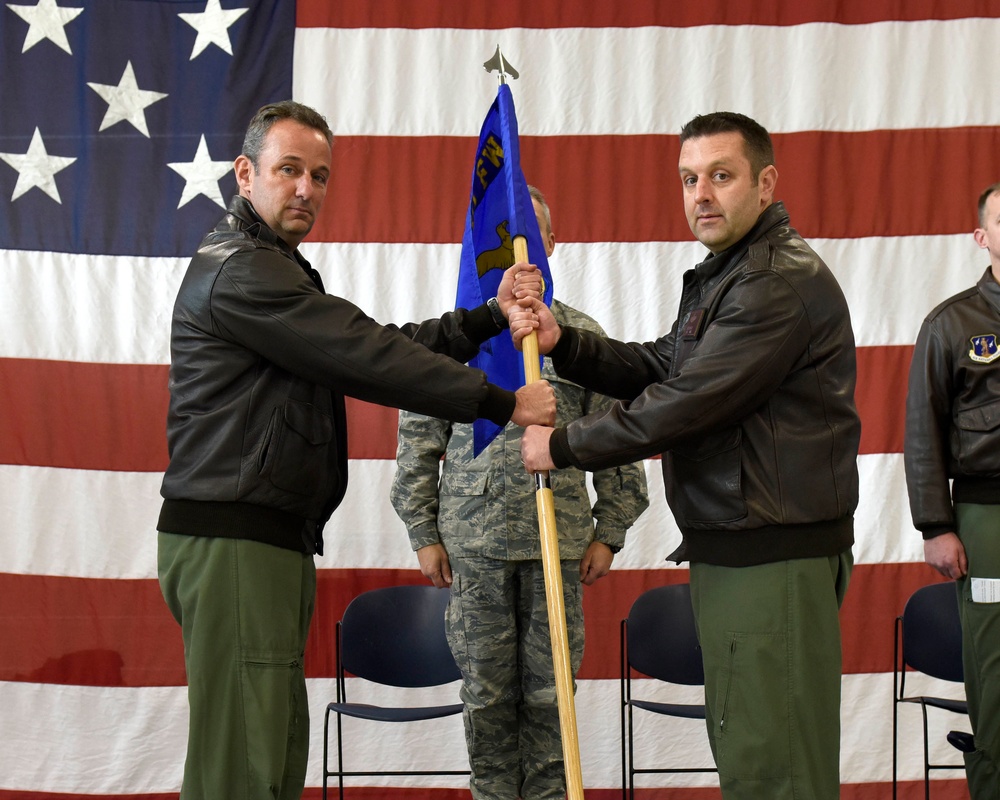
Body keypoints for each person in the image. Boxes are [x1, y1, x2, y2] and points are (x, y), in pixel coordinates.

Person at [155, 100, 555, 800]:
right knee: (239, 770)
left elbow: (376, 342)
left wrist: (486, 319)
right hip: (234, 539)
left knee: (272, 760)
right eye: (288, 170)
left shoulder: (272, 269)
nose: (306, 188)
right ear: (245, 174)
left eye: (319, 174)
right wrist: (502, 402)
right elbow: (368, 355)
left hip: (264, 538)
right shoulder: (242, 270)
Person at [513, 112, 860, 800]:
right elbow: (665, 365)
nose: (701, 193)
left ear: (765, 184)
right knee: (752, 752)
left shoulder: (772, 281)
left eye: (721, 176)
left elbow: (685, 403)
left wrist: (560, 446)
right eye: (689, 178)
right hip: (743, 547)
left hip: (771, 554)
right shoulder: (729, 274)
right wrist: (566, 345)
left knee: (774, 768)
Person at [390, 186, 649, 800]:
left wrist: (610, 531)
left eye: (533, 239)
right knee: (484, 694)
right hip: (472, 549)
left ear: (552, 247)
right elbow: (419, 441)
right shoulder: (459, 338)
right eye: (503, 242)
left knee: (552, 692)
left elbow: (618, 439)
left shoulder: (578, 335)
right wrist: (423, 534)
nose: (518, 254)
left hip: (557, 543)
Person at [904, 181, 1000, 798]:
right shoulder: (953, 322)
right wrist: (936, 526)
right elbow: (922, 431)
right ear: (983, 238)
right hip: (988, 519)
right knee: (995, 668)